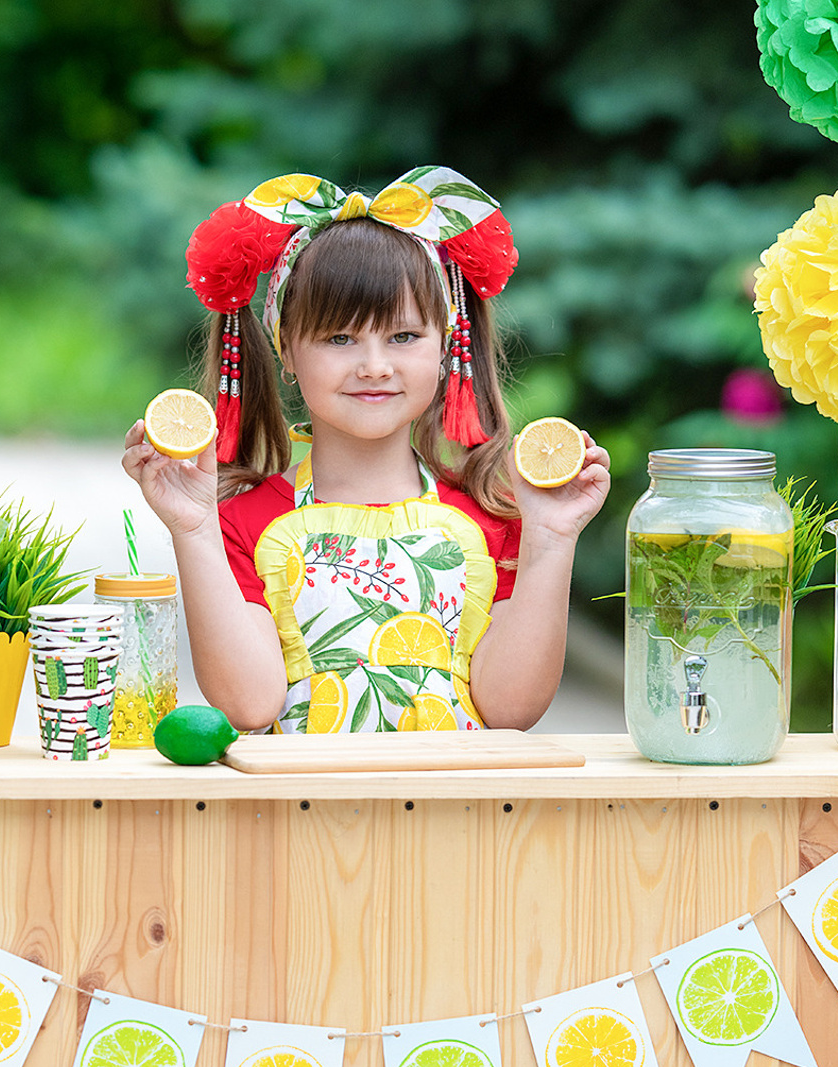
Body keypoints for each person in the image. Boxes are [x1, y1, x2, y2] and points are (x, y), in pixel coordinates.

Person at [122, 168, 610, 734]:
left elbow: (511, 709)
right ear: (286, 350)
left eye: (404, 337)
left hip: (458, 819)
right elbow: (248, 706)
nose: (375, 365)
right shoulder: (239, 522)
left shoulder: (496, 519)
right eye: (339, 338)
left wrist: (551, 541)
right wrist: (193, 529)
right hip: (301, 819)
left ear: (448, 345)